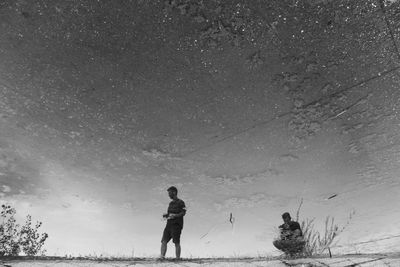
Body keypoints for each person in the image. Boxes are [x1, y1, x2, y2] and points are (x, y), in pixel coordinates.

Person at [160, 186, 186, 260]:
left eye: (169, 193)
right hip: (169, 225)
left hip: (176, 225)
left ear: (174, 192)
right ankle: (162, 257)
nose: (169, 195)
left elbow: (183, 213)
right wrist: (166, 215)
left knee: (176, 242)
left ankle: (178, 258)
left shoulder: (181, 202)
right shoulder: (170, 203)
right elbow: (169, 214)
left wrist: (175, 215)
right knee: (163, 241)